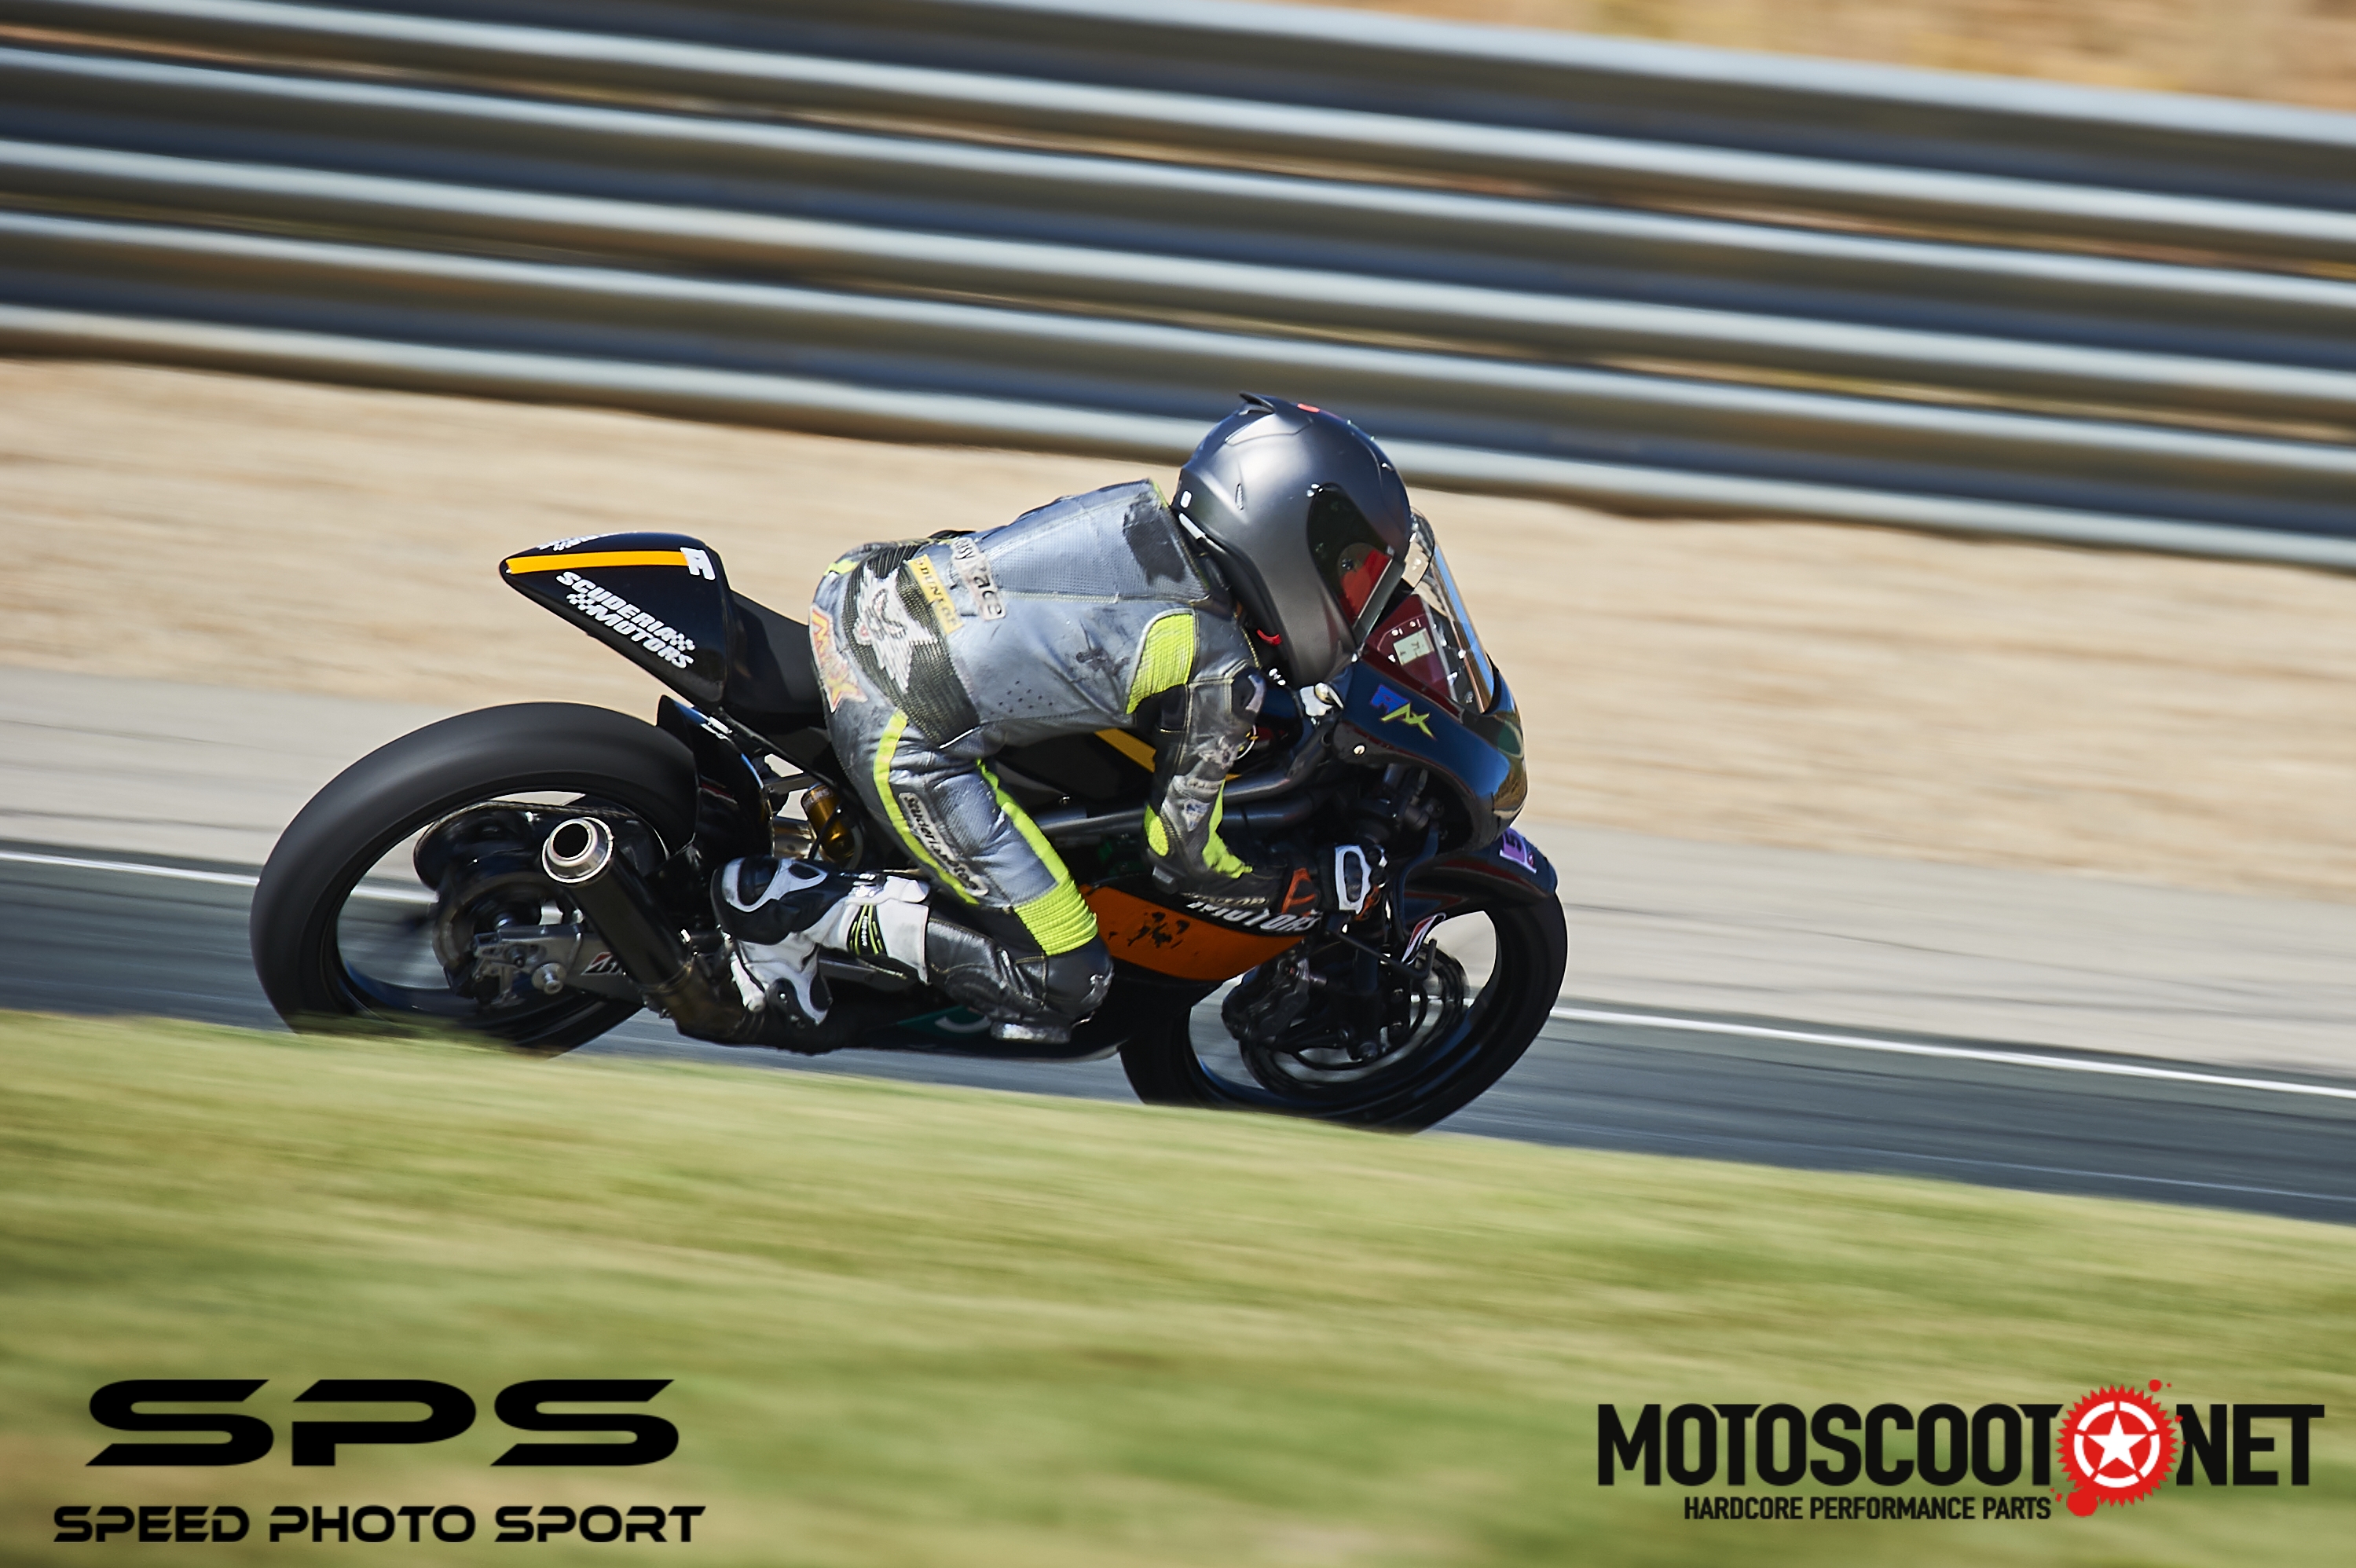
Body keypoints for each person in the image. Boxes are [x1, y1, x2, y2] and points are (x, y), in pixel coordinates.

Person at [713, 394, 1413, 1044]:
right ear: (1287, 538)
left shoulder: (1132, 512)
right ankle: (787, 907)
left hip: (862, 590)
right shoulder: (1215, 666)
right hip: (904, 727)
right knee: (1065, 977)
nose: (1357, 598)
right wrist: (1298, 885)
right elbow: (1181, 856)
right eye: (1353, 574)